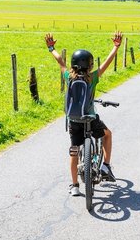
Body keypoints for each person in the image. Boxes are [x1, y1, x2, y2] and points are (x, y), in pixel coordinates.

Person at [45, 31, 123, 197]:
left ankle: (74, 186)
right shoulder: (92, 78)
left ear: (73, 64)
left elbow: (60, 61)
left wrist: (51, 48)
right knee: (107, 135)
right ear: (90, 65)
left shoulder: (68, 76)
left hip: (73, 119)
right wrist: (116, 47)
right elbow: (107, 64)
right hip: (90, 119)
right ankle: (105, 166)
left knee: (74, 150)